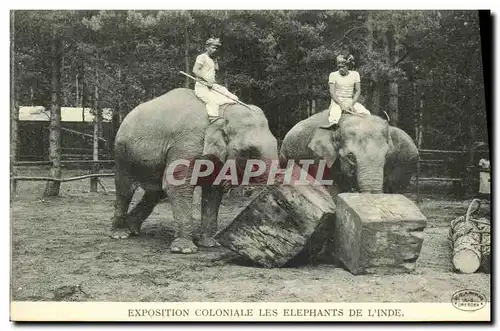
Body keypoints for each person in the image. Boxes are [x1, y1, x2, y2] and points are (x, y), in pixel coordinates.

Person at [192, 37, 239, 122]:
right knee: (212, 101)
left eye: (216, 48)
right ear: (207, 47)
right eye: (212, 48)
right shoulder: (202, 57)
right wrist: (207, 79)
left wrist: (215, 60)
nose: (215, 50)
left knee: (233, 97)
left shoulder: (212, 59)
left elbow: (216, 69)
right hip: (202, 86)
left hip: (212, 86)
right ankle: (214, 121)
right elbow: (195, 70)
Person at [320, 54, 371, 129]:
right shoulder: (333, 75)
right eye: (339, 67)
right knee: (335, 115)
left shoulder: (355, 74)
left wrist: (352, 104)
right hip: (337, 101)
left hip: (349, 100)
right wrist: (341, 105)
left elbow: (358, 90)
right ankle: (333, 128)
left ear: (348, 66)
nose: (341, 69)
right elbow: (332, 92)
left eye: (343, 67)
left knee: (366, 113)